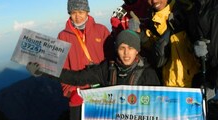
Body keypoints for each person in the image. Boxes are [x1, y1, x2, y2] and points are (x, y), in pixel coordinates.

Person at [45, 0, 113, 120]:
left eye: (80, 12)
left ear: (87, 11)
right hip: (78, 93)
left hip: (101, 92)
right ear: (69, 13)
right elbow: (62, 69)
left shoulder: (101, 30)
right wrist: (70, 91)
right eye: (73, 12)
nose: (77, 16)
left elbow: (111, 61)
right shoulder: (63, 36)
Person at [27, 29, 160, 87]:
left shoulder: (147, 74)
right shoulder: (108, 69)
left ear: (137, 50)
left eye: (130, 48)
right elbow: (76, 78)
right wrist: (44, 69)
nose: (126, 53)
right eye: (122, 48)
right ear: (116, 50)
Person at [135, 0, 201, 87]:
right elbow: (155, 51)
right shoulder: (151, 21)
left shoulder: (185, 10)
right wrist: (141, 36)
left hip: (195, 83)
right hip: (169, 84)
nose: (154, 0)